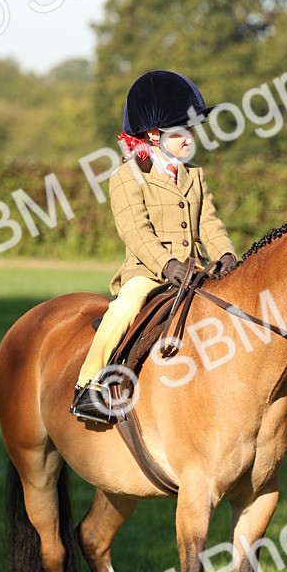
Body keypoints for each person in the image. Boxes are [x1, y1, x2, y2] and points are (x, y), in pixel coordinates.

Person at [71, 70, 237, 424]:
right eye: (182, 129)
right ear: (153, 135)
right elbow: (137, 233)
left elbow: (209, 223)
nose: (190, 136)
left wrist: (224, 253)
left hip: (194, 271)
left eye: (192, 128)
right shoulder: (127, 177)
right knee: (123, 308)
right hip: (149, 273)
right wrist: (167, 265)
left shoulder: (194, 175)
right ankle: (89, 384)